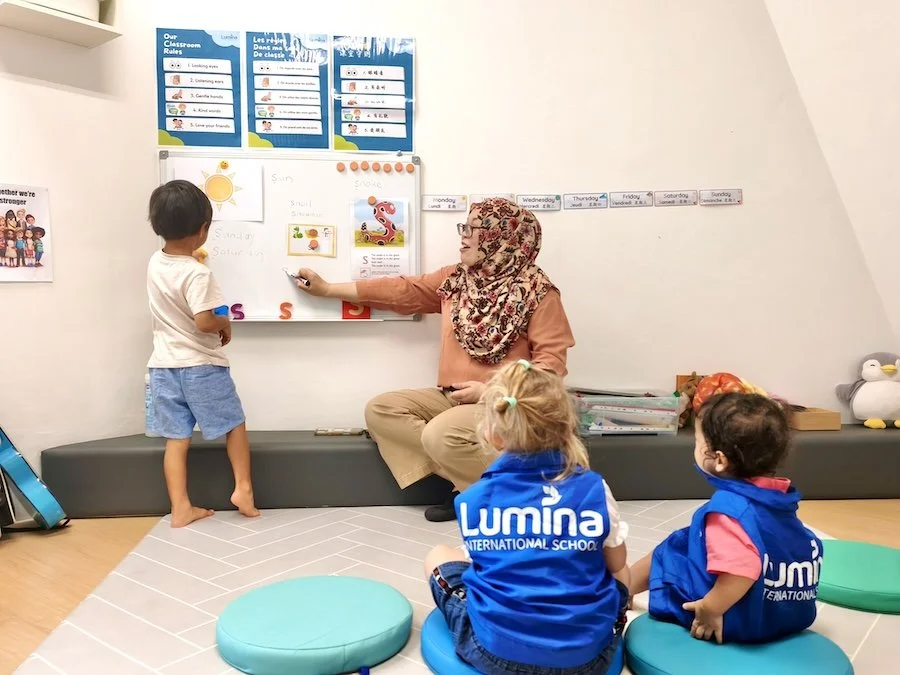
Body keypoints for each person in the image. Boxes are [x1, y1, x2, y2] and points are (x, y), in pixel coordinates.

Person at [295, 198, 575, 521]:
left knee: (439, 433)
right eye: (464, 227)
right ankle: (474, 487)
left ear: (503, 236)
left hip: (505, 406)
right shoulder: (458, 280)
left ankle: (508, 495)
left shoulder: (539, 293)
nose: (464, 236)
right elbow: (401, 291)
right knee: (381, 410)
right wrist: (328, 289)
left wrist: (489, 392)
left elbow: (549, 371)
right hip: (451, 397)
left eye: (474, 229)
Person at [422, 359, 630, 674]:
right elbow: (616, 565)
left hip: (496, 655)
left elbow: (483, 566)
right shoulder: (593, 488)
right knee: (619, 571)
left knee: (437, 555)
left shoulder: (474, 499)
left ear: (493, 435)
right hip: (588, 658)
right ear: (566, 426)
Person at [629, 392, 822, 644]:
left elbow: (742, 571)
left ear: (719, 460)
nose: (694, 448)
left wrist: (710, 609)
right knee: (694, 541)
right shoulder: (779, 494)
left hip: (736, 618)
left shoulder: (729, 510)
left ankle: (621, 591)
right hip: (787, 612)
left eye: (697, 442)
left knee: (672, 550)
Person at [145, 179, 259, 528]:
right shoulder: (197, 272)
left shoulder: (155, 262)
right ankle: (243, 489)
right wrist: (225, 323)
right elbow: (203, 322)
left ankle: (180, 507)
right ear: (203, 229)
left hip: (163, 367)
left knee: (176, 440)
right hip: (200, 367)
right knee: (234, 424)